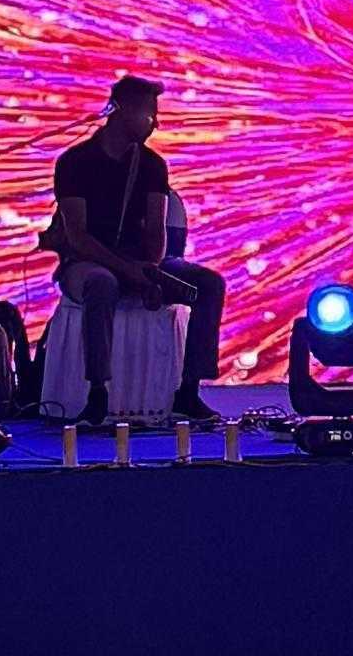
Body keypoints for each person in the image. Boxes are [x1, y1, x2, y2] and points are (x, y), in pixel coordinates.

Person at [46, 70, 225, 420]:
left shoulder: (152, 165)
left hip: (142, 263)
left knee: (208, 285)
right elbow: (78, 236)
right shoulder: (75, 162)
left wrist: (151, 271)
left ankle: (188, 390)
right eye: (149, 114)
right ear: (123, 110)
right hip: (87, 262)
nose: (155, 123)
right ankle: (98, 393)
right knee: (101, 284)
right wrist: (130, 271)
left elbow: (156, 230)